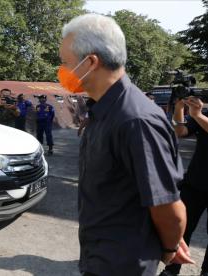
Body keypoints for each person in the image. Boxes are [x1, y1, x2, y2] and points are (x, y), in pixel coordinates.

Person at [58, 13, 194, 275]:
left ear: (90, 62)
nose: (61, 70)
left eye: (65, 62)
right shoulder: (104, 110)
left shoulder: (135, 120)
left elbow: (169, 209)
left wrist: (168, 248)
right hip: (100, 253)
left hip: (122, 264)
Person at [160, 96, 208, 276]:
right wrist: (179, 109)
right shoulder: (203, 114)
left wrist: (197, 115)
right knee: (182, 227)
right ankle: (172, 269)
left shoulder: (201, 115)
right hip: (195, 181)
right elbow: (180, 132)